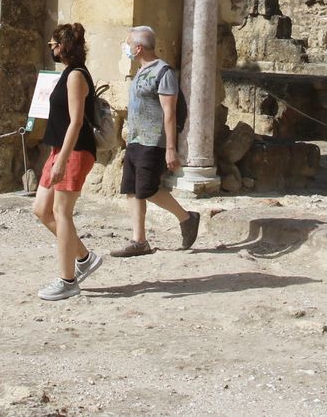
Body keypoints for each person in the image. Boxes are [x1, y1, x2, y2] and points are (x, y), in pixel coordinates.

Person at [111, 26, 200, 257]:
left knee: (148, 190)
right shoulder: (141, 71)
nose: (126, 47)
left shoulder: (164, 72)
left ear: (138, 47)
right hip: (135, 139)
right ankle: (139, 241)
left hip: (153, 141)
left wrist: (171, 148)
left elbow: (169, 112)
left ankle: (187, 218)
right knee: (132, 189)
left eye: (129, 43)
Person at [31, 23, 105, 300]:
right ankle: (85, 258)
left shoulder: (76, 76)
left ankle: (67, 279)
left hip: (73, 152)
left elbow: (76, 122)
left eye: (53, 44)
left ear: (64, 47)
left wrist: (62, 160)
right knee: (41, 209)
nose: (50, 48)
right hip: (59, 150)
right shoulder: (67, 74)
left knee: (62, 214)